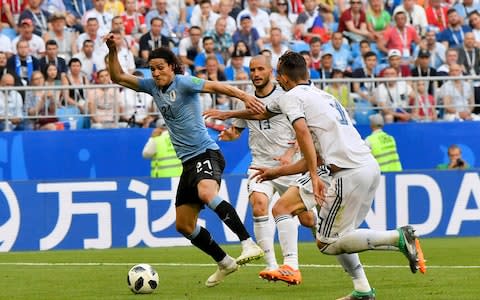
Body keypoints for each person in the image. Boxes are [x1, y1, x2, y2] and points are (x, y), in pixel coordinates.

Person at [226, 51, 426, 299]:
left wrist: (313, 174)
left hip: (345, 172)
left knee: (321, 238)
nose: (276, 77)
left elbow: (302, 134)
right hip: (364, 166)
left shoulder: (292, 98)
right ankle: (362, 288)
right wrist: (229, 116)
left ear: (284, 78)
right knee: (306, 220)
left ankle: (397, 237)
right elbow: (265, 113)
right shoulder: (323, 96)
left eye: (278, 72)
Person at [105, 35, 265, 287]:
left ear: (172, 67)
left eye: (160, 68)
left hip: (207, 153)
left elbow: (216, 87)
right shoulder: (151, 87)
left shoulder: (185, 82)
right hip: (188, 163)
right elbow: (117, 77)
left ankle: (248, 243)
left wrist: (244, 97)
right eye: (152, 69)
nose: (156, 73)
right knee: (184, 225)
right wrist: (112, 49)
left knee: (206, 191)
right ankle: (224, 262)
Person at [203, 55, 328, 276]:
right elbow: (238, 129)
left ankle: (317, 226)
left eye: (260, 69)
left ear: (271, 72)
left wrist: (290, 153)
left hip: (288, 167)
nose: (256, 74)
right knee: (259, 205)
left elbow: (303, 130)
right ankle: (272, 265)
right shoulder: (247, 101)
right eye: (252, 70)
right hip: (259, 165)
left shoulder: (286, 97)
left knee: (305, 218)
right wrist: (229, 134)